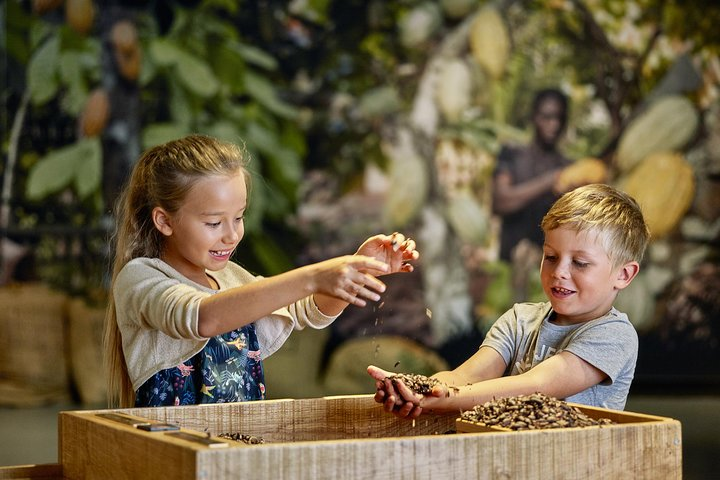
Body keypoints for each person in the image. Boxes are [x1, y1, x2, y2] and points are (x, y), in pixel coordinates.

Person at [103, 134, 419, 408]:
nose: (231, 235)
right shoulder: (140, 278)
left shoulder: (233, 279)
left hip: (238, 451)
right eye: (214, 223)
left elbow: (309, 311)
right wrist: (313, 276)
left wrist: (359, 268)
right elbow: (202, 318)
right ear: (165, 221)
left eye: (238, 217)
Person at [368, 183, 650, 417]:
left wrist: (442, 399)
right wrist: (420, 390)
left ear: (624, 275)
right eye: (550, 257)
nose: (559, 272)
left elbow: (537, 385)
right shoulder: (520, 320)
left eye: (580, 263)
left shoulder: (615, 335)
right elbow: (467, 377)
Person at [493, 88, 573, 262]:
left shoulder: (569, 168)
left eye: (560, 118)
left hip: (548, 270)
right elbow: (501, 201)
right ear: (534, 117)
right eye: (547, 117)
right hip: (508, 266)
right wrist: (549, 181)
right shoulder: (512, 155)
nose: (555, 124)